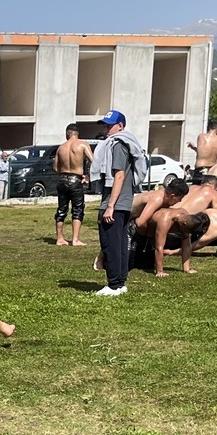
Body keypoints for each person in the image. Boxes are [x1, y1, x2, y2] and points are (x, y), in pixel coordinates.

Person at [91, 110, 146, 297]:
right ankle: (120, 283)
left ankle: (114, 284)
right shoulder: (126, 143)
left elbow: (119, 175)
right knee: (120, 244)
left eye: (109, 125)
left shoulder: (118, 145)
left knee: (110, 245)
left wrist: (110, 205)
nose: (106, 129)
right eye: (105, 125)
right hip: (124, 202)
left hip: (116, 202)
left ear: (120, 126)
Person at [54, 124, 94, 246]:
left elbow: (55, 167)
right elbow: (94, 161)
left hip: (62, 179)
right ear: (77, 134)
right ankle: (75, 239)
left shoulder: (61, 147)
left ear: (68, 133)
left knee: (61, 209)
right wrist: (88, 176)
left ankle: (59, 238)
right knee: (77, 209)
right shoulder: (82, 144)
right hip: (76, 179)